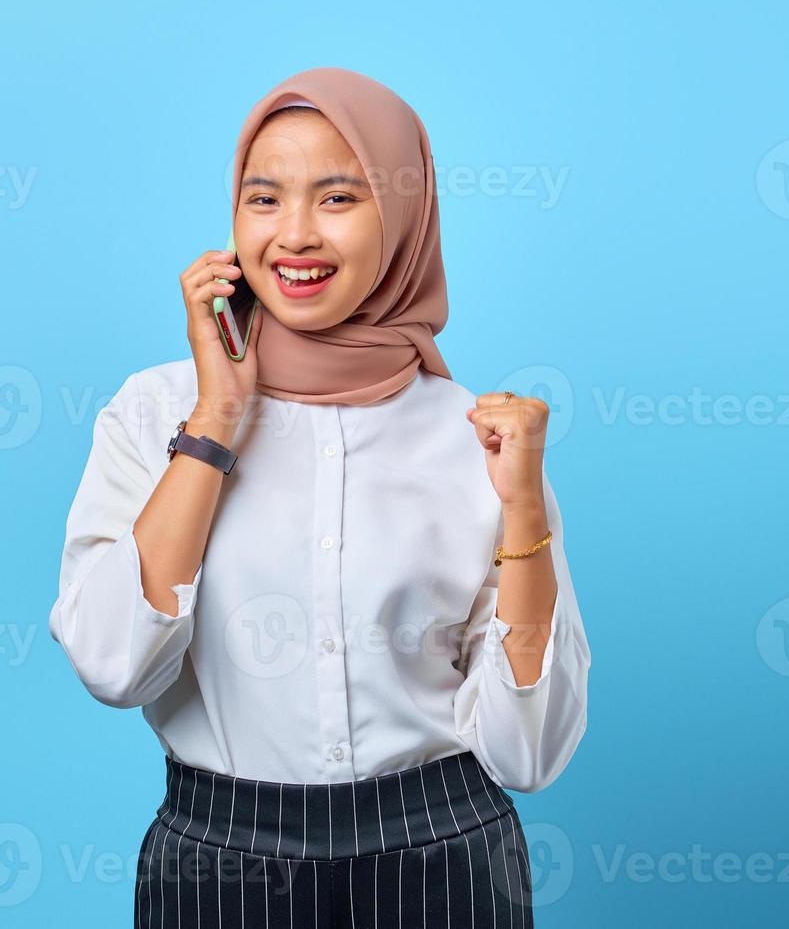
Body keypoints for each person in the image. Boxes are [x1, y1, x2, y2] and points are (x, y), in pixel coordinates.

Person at [49, 66, 592, 928]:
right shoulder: (153, 411)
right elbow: (114, 666)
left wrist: (523, 511)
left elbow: (525, 754)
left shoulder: (481, 439)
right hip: (219, 865)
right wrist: (218, 417)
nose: (293, 236)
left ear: (403, 220)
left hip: (443, 859)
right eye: (263, 200)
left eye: (338, 198)